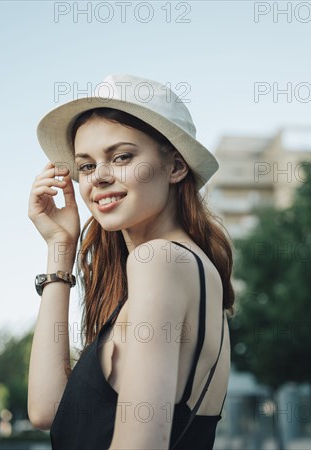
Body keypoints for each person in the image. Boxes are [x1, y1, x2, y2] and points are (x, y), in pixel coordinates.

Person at [27, 74, 235, 450]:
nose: (99, 178)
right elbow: (47, 411)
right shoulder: (173, 270)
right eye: (86, 166)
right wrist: (61, 248)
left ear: (175, 166)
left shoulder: (159, 261)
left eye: (121, 157)